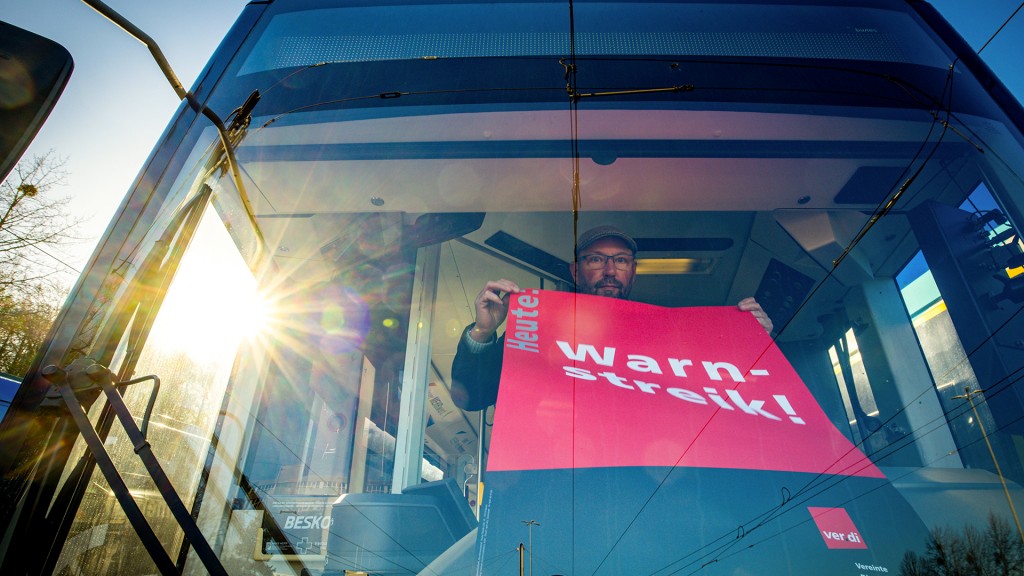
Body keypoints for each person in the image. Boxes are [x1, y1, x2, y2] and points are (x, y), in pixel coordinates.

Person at [450, 225, 774, 411]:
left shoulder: (666, 332)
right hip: (561, 478)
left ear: (632, 271)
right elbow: (474, 398)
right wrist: (482, 331)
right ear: (576, 271)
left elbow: (730, 398)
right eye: (596, 260)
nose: (609, 270)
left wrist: (755, 345)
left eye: (620, 261)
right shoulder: (540, 327)